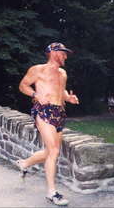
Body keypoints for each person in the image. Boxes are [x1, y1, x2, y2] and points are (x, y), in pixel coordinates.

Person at [18, 42, 79, 206]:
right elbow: (22, 85)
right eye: (63, 53)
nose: (66, 56)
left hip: (60, 112)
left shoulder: (63, 73)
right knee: (53, 151)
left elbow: (62, 92)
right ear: (53, 52)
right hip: (43, 111)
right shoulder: (38, 70)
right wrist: (35, 94)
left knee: (51, 151)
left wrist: (69, 98)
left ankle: (25, 163)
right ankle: (52, 193)